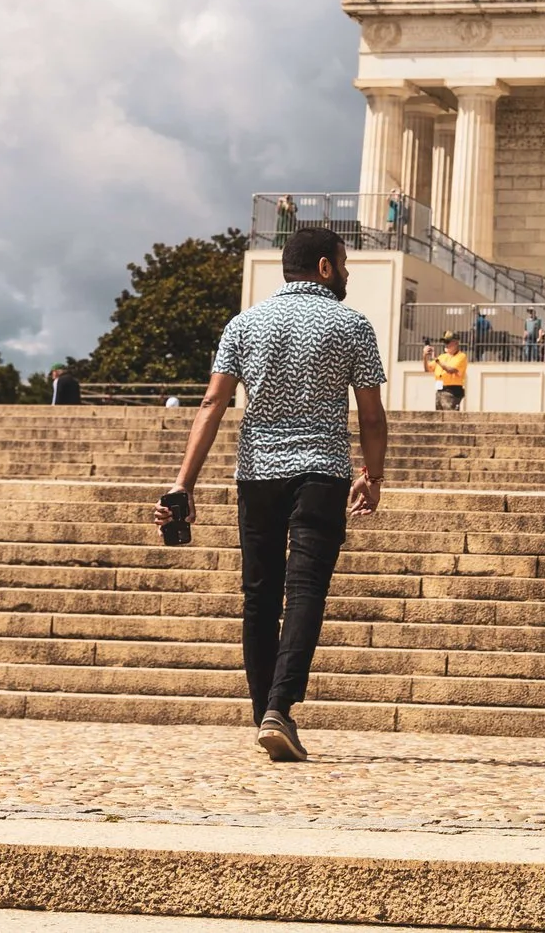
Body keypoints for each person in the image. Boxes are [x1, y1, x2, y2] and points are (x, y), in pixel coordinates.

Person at [153, 225, 388, 763]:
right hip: (322, 473)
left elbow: (212, 405)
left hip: (257, 474)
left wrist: (181, 483)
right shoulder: (352, 325)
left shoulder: (245, 324)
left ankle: (266, 714)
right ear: (325, 268)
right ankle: (281, 708)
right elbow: (372, 416)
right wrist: (373, 477)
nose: (348, 271)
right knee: (305, 590)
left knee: (260, 595)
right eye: (345, 262)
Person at [429, 334, 468, 411]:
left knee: (450, 416)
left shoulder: (461, 356)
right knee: (439, 417)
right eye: (445, 342)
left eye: (448, 342)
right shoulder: (442, 357)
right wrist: (425, 356)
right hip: (440, 390)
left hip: (451, 391)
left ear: (456, 343)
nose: (446, 344)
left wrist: (436, 359)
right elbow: (428, 369)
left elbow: (450, 370)